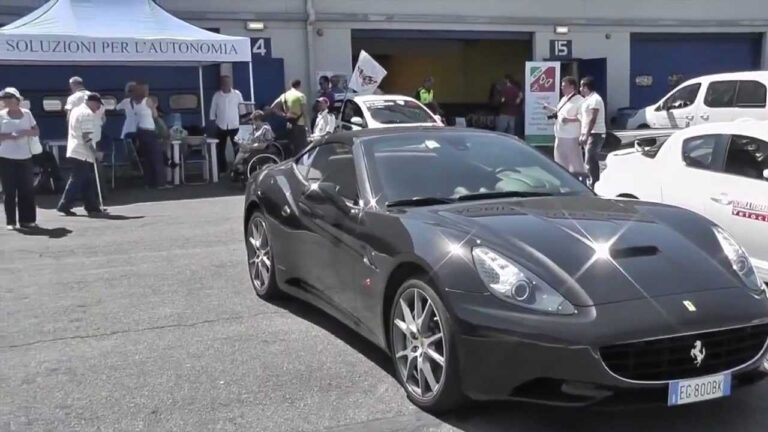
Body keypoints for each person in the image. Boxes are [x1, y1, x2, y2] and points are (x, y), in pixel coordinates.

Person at [57, 93, 108, 217]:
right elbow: (86, 136)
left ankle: (92, 206)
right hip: (82, 152)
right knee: (78, 179)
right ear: (93, 102)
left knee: (87, 179)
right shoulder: (87, 114)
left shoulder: (75, 110)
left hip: (76, 149)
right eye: (97, 105)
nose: (97, 108)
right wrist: (95, 152)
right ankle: (64, 205)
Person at [0, 87, 39, 230]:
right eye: (4, 99)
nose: (7, 101)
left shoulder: (27, 114)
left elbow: (36, 131)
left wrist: (26, 132)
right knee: (9, 191)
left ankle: (27, 220)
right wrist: (10, 136)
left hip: (25, 157)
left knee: (27, 189)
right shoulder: (1, 115)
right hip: (5, 157)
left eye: (9, 98)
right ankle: (11, 221)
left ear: (17, 99)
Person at [544, 76, 585, 179]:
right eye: (562, 86)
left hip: (571, 136)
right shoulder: (563, 99)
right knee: (560, 162)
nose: (562, 88)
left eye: (564, 86)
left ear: (572, 87)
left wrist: (568, 119)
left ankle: (579, 180)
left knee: (574, 162)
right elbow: (559, 112)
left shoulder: (580, 100)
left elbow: (583, 117)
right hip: (560, 135)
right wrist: (548, 108)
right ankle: (563, 179)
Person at [133, 82, 170, 189]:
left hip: (140, 131)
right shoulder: (147, 100)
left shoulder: (134, 102)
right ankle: (160, 183)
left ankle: (148, 182)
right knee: (157, 157)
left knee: (147, 158)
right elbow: (155, 115)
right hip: (149, 131)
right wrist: (154, 107)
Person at [210, 75, 245, 175]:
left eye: (228, 82)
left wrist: (243, 119)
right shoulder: (217, 96)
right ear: (221, 84)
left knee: (238, 149)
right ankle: (222, 170)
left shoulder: (237, 94)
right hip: (221, 125)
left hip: (234, 125)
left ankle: (238, 170)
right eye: (224, 83)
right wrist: (212, 120)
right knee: (220, 149)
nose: (226, 85)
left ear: (230, 83)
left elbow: (242, 108)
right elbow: (213, 109)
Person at [579, 76, 607, 187]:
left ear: (586, 87)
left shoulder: (595, 99)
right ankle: (592, 182)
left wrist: (586, 135)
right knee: (590, 159)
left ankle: (594, 184)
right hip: (588, 133)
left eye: (581, 86)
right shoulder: (587, 100)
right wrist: (582, 134)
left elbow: (592, 119)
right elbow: (585, 118)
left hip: (595, 134)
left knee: (590, 159)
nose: (580, 89)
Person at [231, 111, 275, 179]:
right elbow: (249, 139)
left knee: (244, 156)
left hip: (263, 151)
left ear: (258, 120)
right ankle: (237, 169)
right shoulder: (255, 128)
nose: (252, 122)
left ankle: (241, 171)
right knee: (239, 151)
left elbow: (263, 145)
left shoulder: (266, 129)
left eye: (253, 120)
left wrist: (249, 147)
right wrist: (242, 142)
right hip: (253, 148)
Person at [271, 79, 307, 157]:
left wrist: (283, 114)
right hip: (299, 125)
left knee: (292, 148)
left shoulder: (284, 96)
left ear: (291, 85)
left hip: (289, 125)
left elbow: (273, 107)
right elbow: (304, 112)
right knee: (302, 149)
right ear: (299, 85)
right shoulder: (301, 96)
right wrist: (308, 127)